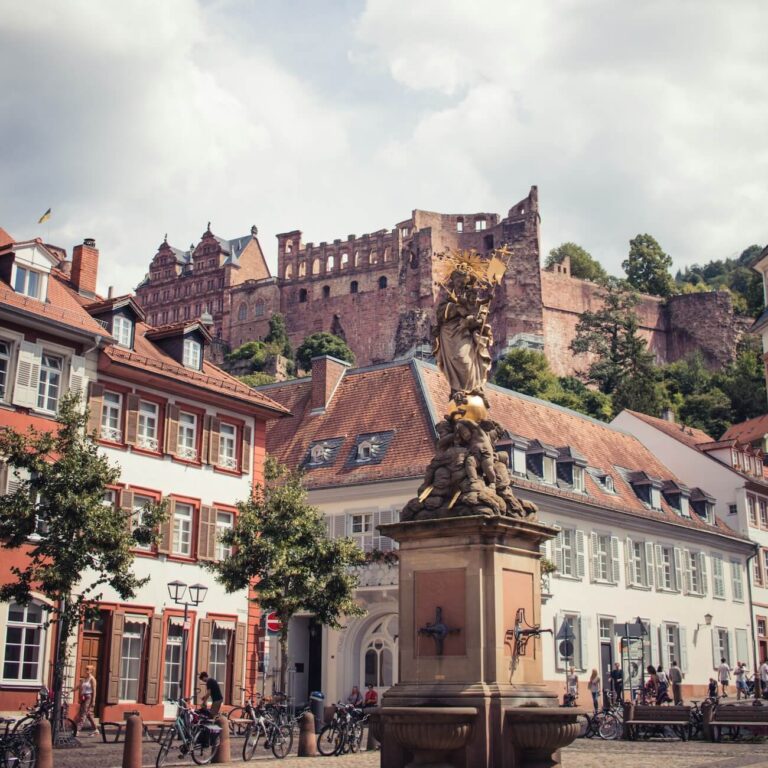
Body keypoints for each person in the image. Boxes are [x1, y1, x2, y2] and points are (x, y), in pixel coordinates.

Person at [75, 665, 97, 733]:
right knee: (88, 714)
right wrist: (72, 690)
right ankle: (96, 729)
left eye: (87, 669)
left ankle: (78, 730)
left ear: (91, 670)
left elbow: (94, 690)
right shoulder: (84, 679)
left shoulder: (92, 679)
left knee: (83, 713)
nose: (86, 670)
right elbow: (79, 686)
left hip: (88, 697)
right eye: (85, 669)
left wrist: (93, 701)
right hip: (83, 697)